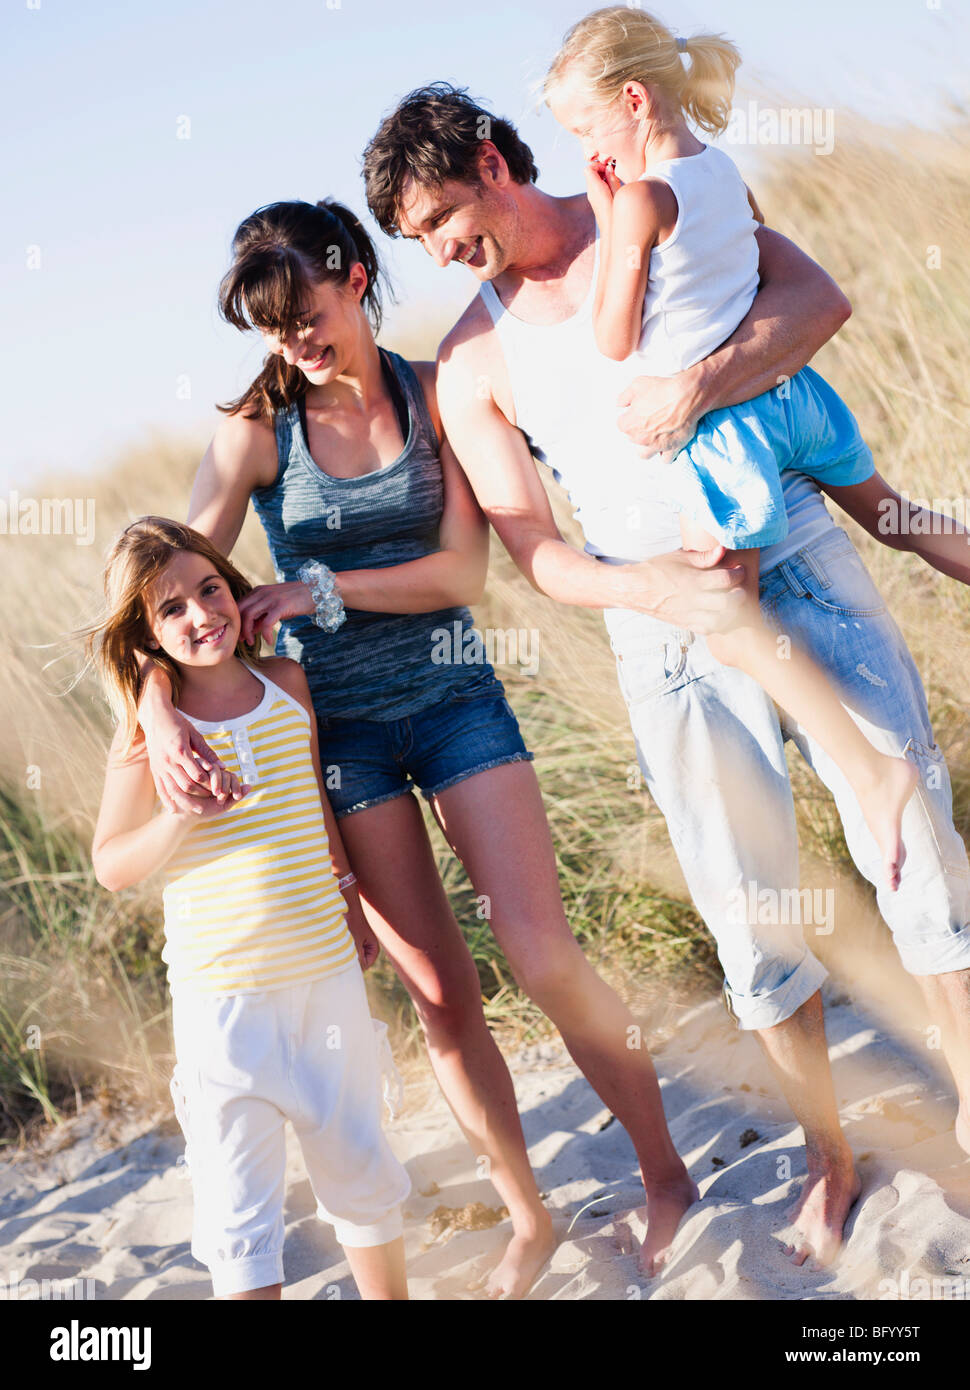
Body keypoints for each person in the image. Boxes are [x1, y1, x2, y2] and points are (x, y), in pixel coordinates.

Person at [362, 81, 970, 1267]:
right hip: (664, 624)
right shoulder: (473, 365)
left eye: (443, 213)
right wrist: (649, 588)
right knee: (751, 909)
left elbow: (813, 299)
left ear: (492, 159)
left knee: (913, 832)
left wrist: (699, 383)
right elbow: (535, 553)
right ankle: (828, 1161)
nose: (442, 248)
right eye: (419, 239)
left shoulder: (663, 205)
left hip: (788, 540)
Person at [131, 198, 720, 1290]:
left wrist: (314, 588)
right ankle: (527, 1215)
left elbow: (461, 573)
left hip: (456, 704)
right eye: (269, 330)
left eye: (302, 312)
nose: (292, 344)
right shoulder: (256, 432)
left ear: (354, 276)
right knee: (442, 1000)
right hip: (340, 740)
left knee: (542, 957)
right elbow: (158, 591)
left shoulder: (434, 390)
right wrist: (157, 708)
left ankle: (665, 1175)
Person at [545, 6, 919, 891]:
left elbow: (610, 336)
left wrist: (608, 211)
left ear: (631, 101)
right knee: (899, 519)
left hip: (726, 442)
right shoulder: (724, 174)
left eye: (584, 129)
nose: (583, 152)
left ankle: (873, 774)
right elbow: (745, 270)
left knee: (727, 620)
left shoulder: (638, 200)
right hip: (795, 402)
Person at [87, 517, 411, 1301]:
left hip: (326, 973)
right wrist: (175, 816)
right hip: (225, 1002)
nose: (202, 616)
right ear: (147, 635)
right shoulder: (147, 736)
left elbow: (314, 809)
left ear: (235, 589)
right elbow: (109, 864)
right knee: (241, 1215)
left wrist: (352, 899)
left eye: (210, 589)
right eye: (171, 610)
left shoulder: (287, 685)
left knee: (360, 1164)